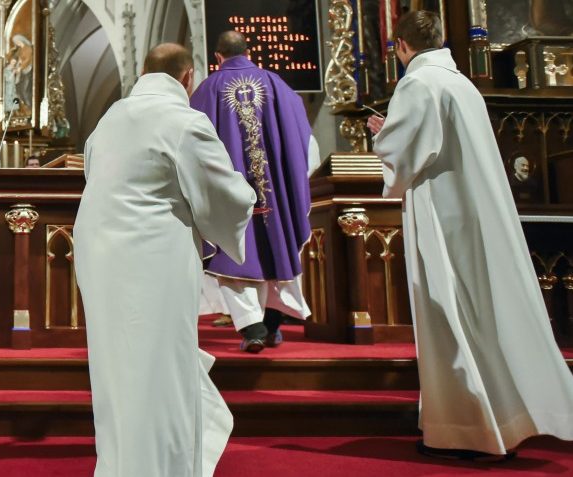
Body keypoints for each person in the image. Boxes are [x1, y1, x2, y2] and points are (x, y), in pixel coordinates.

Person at [368, 10, 573, 461]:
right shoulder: (462, 85)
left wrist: (382, 136)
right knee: (482, 316)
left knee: (450, 317)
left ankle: (467, 432)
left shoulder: (418, 84)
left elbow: (405, 155)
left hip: (444, 218)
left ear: (401, 47)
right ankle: (499, 420)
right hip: (475, 215)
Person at [74, 43, 255, 477]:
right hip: (151, 256)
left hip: (100, 257)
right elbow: (222, 195)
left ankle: (121, 465)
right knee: (159, 370)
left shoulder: (109, 120)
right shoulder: (183, 121)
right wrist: (248, 199)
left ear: (142, 71)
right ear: (188, 78)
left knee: (119, 370)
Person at [190, 31, 321, 353]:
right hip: (275, 193)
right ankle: (271, 325)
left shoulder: (208, 89)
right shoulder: (277, 85)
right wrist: (294, 182)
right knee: (274, 252)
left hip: (231, 194)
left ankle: (253, 328)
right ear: (247, 52)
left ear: (218, 57)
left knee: (233, 256)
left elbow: (192, 144)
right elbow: (304, 141)